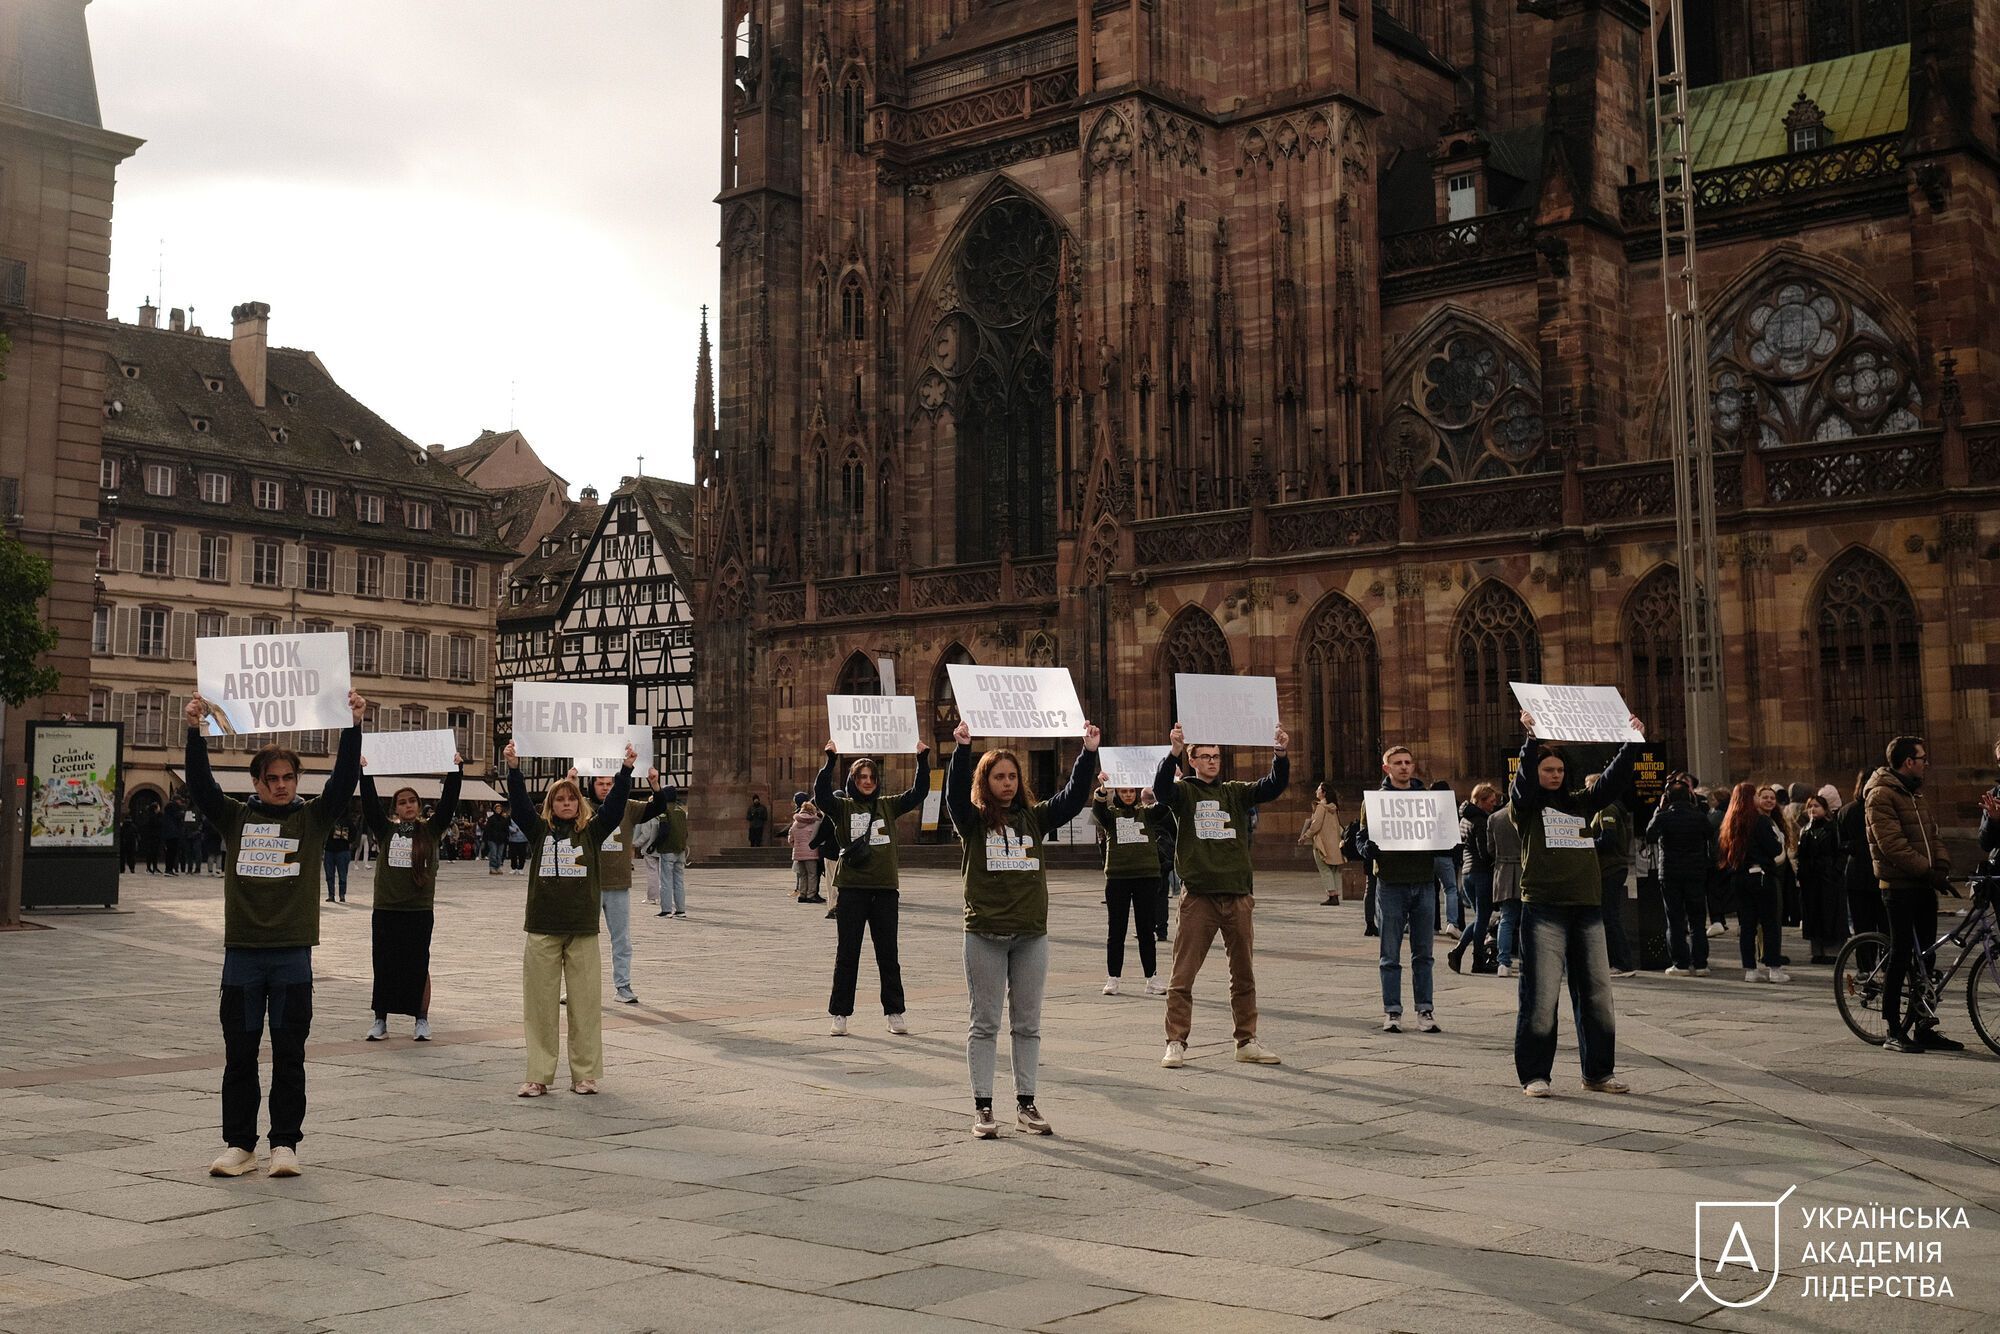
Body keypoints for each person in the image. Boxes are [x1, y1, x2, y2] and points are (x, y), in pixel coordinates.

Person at [183, 687, 366, 1179]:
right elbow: (200, 787)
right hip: (242, 956)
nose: (281, 786)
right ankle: (240, 1146)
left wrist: (352, 725)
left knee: (290, 1054)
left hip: (292, 957)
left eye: (288, 778)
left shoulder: (313, 819)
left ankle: (285, 1143)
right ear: (257, 782)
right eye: (272, 779)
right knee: (239, 1055)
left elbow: (344, 783)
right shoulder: (235, 818)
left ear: (296, 780)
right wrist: (195, 730)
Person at [946, 720, 1099, 1137]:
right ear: (986, 780)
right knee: (985, 1023)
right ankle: (983, 1107)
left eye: (1013, 776)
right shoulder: (972, 822)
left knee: (1028, 1024)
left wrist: (1087, 753)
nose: (1008, 783)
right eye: (999, 776)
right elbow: (955, 797)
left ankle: (1026, 1104)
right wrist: (962, 750)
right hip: (984, 934)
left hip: (1031, 934)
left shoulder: (1034, 818)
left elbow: (1069, 801)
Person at [1510, 706, 1643, 1097]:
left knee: (1597, 992)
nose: (1554, 775)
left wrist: (1631, 742)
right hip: (1544, 907)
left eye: (1559, 770)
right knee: (1541, 993)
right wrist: (1531, 741)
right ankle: (1535, 1075)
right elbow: (1521, 787)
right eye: (1547, 769)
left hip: (1587, 905)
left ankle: (1598, 1073)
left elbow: (1611, 783)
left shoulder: (1582, 803)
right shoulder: (1527, 808)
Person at [503, 739, 634, 1096]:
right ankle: (538, 1075)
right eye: (559, 799)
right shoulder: (538, 830)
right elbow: (518, 807)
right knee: (540, 1006)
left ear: (579, 804)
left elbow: (615, 806)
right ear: (550, 804)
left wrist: (625, 771)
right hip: (542, 928)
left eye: (571, 798)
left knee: (585, 1005)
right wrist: (513, 768)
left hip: (581, 929)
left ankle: (585, 1074)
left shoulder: (591, 832)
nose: (565, 803)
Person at [1156, 721, 1289, 1068]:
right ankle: (1176, 1041)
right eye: (1205, 756)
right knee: (1182, 975)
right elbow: (1161, 789)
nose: (1213, 761)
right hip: (1199, 897)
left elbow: (1272, 787)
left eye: (1216, 755)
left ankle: (1246, 1040)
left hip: (1237, 895)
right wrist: (1172, 751)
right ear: (1193, 760)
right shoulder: (1184, 793)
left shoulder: (1234, 791)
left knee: (1243, 974)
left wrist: (1280, 754)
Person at [816, 736, 931, 1036]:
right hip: (852, 890)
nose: (867, 781)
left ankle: (894, 1011)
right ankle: (840, 1013)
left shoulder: (888, 806)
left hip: (884, 891)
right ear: (853, 780)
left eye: (871, 777)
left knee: (888, 954)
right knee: (847, 954)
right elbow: (821, 795)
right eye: (861, 777)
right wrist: (830, 761)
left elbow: (919, 792)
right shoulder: (842, 807)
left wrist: (922, 760)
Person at [1865, 735, 1961, 1054]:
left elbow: (1933, 835)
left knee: (1927, 956)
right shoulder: (1880, 794)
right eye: (1922, 759)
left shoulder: (1915, 794)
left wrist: (1942, 866)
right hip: (1898, 887)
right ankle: (1893, 1029)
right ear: (1909, 762)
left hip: (1921, 884)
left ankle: (1923, 1026)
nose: (1926, 764)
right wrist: (1928, 871)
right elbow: (1892, 845)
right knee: (1901, 954)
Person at [358, 756, 462, 1040]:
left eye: (412, 801)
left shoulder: (430, 830)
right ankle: (380, 1019)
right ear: (395, 808)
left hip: (418, 909)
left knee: (418, 964)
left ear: (418, 806)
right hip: (387, 908)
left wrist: (455, 771)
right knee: (383, 963)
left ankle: (421, 1019)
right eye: (402, 802)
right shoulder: (386, 830)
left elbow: (449, 802)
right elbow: (369, 805)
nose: (408, 806)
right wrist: (364, 772)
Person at [1358, 745, 1440, 1034]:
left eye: (1407, 762)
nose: (1404, 767)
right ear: (1387, 768)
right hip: (1391, 882)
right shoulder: (1376, 801)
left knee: (1424, 953)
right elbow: (1361, 837)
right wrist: (1366, 848)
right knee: (1389, 953)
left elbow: (1439, 831)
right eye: (1398, 763)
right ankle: (1392, 1011)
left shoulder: (1427, 799)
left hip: (1423, 880)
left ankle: (1425, 1010)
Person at [585, 766, 673, 1003]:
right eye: (600, 783)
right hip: (587, 884)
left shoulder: (628, 806)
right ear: (591, 784)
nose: (605, 788)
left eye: (609, 783)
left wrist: (655, 784)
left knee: (621, 939)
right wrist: (570, 780)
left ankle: (623, 986)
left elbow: (658, 807)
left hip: (618, 882)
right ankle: (578, 986)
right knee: (581, 940)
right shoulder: (581, 805)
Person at [1093, 778, 1169, 995]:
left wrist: (1172, 780)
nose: (1128, 795)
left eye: (1131, 791)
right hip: (1118, 878)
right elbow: (1098, 809)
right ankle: (1113, 978)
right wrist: (1102, 789)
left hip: (1146, 876)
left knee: (1146, 930)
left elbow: (1164, 806)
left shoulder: (1147, 813)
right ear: (1118, 792)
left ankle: (1151, 977)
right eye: (1124, 791)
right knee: (1116, 930)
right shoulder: (1110, 816)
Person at [1719, 781, 1787, 983]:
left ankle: (1750, 969)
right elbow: (1774, 849)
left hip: (1739, 877)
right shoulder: (1759, 821)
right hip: (1762, 876)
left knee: (1747, 925)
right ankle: (1774, 969)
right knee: (1770, 923)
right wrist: (1779, 840)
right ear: (1751, 798)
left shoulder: (1730, 823)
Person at [1646, 773, 1713, 976]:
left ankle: (1680, 963)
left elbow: (1649, 835)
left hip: (1670, 873)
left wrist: (1659, 808)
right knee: (1697, 919)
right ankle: (1701, 963)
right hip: (1695, 872)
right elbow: (1711, 836)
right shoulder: (1699, 816)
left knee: (1674, 920)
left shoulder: (1664, 816)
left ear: (1668, 798)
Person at [1586, 778, 1636, 977]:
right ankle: (1617, 961)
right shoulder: (1606, 808)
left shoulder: (1606, 809)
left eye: (1589, 786)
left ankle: (1622, 962)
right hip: (1610, 867)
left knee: (1610, 917)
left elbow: (1609, 838)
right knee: (1608, 916)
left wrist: (1586, 843)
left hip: (1610, 868)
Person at [1449, 783, 1500, 973]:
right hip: (1480, 873)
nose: (1493, 805)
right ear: (1480, 801)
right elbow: (1484, 850)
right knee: (1483, 918)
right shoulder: (1480, 820)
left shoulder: (1465, 818)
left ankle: (1458, 951)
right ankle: (1477, 960)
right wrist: (1494, 860)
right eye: (1491, 801)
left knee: (1481, 918)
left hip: (1467, 873)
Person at [1797, 793, 1845, 964]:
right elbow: (1801, 854)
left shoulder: (1833, 828)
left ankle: (1832, 951)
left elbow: (1840, 851)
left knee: (1830, 914)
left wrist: (1835, 871)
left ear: (1825, 809)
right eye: (1810, 806)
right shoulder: (1806, 830)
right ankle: (1817, 950)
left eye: (1816, 806)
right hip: (1811, 879)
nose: (1812, 809)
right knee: (1814, 913)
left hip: (1829, 878)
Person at [1488, 800, 1523, 976]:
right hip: (1525, 869)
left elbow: (1490, 848)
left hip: (1503, 870)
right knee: (1528, 920)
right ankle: (1526, 961)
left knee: (1506, 919)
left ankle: (1503, 963)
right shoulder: (1528, 814)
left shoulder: (1495, 817)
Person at [1300, 783, 1344, 906]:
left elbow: (1315, 826)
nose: (1316, 791)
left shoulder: (1321, 807)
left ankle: (1331, 895)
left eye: (1318, 789)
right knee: (1334, 869)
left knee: (1324, 868)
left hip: (1322, 843)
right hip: (1334, 843)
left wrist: (1305, 836)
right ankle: (1335, 895)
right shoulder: (1334, 807)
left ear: (1323, 793)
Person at [652, 778, 691, 916]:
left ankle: (666, 909)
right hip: (680, 849)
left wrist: (654, 845)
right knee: (679, 881)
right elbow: (685, 832)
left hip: (667, 848)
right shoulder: (681, 811)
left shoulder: (664, 810)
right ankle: (681, 910)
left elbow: (664, 829)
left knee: (666, 880)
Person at [1431, 779, 1464, 939]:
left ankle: (1433, 925)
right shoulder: (1453, 809)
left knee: (1430, 891)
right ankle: (1452, 923)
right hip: (1446, 855)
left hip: (1429, 854)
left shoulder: (1427, 807)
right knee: (1450, 889)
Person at [788, 794, 825, 903]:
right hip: (810, 852)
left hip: (798, 853)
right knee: (812, 874)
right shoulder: (814, 822)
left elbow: (790, 838)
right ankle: (811, 895)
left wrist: (796, 846)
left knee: (802, 875)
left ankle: (802, 894)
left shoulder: (795, 823)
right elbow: (817, 836)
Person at [322, 816, 354, 903]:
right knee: (329, 875)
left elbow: (354, 833)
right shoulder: (328, 819)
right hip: (329, 850)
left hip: (343, 850)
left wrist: (349, 840)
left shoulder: (347, 820)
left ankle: (342, 895)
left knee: (342, 875)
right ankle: (331, 895)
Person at [483, 803, 511, 877]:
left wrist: (506, 837)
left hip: (501, 839)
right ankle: (492, 867)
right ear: (494, 810)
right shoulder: (491, 819)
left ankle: (498, 867)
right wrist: (487, 838)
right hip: (492, 839)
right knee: (494, 854)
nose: (498, 810)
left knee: (499, 855)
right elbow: (487, 829)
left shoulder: (503, 819)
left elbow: (506, 829)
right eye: (497, 809)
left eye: (500, 809)